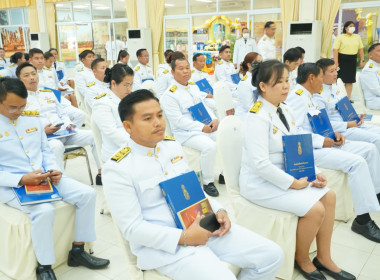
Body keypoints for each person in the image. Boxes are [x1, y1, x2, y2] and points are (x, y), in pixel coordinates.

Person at [102, 89, 284, 280]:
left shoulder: (171, 146)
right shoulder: (118, 169)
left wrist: (220, 211)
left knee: (272, 255)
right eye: (147, 118)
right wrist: (185, 238)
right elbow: (132, 229)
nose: (158, 123)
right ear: (128, 126)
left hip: (202, 223)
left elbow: (194, 190)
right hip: (167, 247)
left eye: (159, 115)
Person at [239, 60, 355, 280]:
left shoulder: (285, 109)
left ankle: (324, 257)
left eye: (287, 81)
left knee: (329, 196)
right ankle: (301, 258)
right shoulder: (256, 116)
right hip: (261, 183)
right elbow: (260, 164)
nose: (286, 86)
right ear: (263, 86)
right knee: (315, 210)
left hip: (288, 172)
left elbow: (298, 147)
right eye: (279, 82)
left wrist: (314, 173)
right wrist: (294, 183)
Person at [0, 77, 110, 280]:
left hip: (45, 177)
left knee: (87, 194)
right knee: (44, 210)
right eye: (13, 108)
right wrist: (22, 179)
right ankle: (44, 265)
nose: (19, 112)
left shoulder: (31, 117)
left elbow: (45, 149)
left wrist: (53, 169)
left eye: (22, 106)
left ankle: (78, 251)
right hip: (13, 185)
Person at [286, 63, 380, 243]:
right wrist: (322, 141)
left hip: (325, 141)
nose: (325, 80)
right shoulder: (297, 98)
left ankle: (375, 194)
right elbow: (294, 132)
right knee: (357, 162)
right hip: (310, 149)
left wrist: (333, 134)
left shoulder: (310, 96)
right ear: (311, 78)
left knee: (369, 149)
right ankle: (363, 220)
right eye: (321, 77)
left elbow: (317, 122)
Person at [16, 62, 103, 186]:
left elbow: (62, 113)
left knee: (95, 136)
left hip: (63, 133)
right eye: (26, 75)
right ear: (19, 79)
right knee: (56, 146)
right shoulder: (19, 99)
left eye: (34, 74)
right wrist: (42, 131)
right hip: (44, 139)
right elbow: (21, 125)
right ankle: (60, 183)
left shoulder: (48, 93)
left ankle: (102, 174)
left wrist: (68, 124)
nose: (32, 77)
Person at [161, 57, 223, 197]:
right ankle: (208, 182)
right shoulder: (169, 95)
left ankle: (224, 174)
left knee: (226, 138)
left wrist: (214, 118)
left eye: (187, 68)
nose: (185, 71)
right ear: (172, 72)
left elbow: (205, 106)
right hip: (186, 133)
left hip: (205, 126)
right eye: (181, 69)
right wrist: (201, 127)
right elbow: (178, 121)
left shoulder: (193, 87)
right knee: (210, 146)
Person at [314, 58, 380, 152]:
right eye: (332, 71)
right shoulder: (317, 95)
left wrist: (356, 117)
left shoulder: (334, 87)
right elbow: (323, 125)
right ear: (321, 73)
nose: (336, 74)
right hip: (342, 130)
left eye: (336, 70)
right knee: (377, 140)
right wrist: (348, 124)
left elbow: (344, 109)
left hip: (352, 124)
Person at [92, 64, 133, 162]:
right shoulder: (102, 103)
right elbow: (112, 132)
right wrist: (139, 142)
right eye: (126, 85)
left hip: (134, 146)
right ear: (114, 83)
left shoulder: (129, 98)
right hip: (118, 153)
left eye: (131, 84)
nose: (130, 89)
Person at [333, 21, 365, 102]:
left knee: (349, 80)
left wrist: (362, 60)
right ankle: (338, 98)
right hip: (342, 59)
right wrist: (336, 62)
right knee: (338, 79)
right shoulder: (340, 37)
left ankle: (348, 99)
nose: (352, 27)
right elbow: (335, 50)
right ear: (346, 28)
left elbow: (360, 49)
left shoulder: (357, 37)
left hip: (352, 60)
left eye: (353, 26)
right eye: (350, 26)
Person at [235, 52, 261, 120]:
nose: (260, 65)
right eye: (257, 62)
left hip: (257, 114)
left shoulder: (258, 79)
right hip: (245, 118)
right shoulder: (245, 83)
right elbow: (249, 107)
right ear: (249, 65)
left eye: (261, 62)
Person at [359, 43, 380, 109]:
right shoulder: (369, 70)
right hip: (374, 101)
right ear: (370, 54)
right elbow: (377, 90)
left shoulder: (377, 66)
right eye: (379, 51)